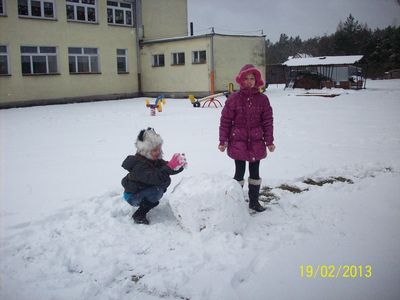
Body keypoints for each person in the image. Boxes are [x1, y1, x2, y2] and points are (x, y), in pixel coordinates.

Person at [218, 64, 275, 212]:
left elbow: (267, 121)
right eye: (246, 78)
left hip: (256, 142)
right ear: (241, 80)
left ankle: (254, 202)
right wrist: (223, 141)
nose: (249, 81)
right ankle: (236, 203)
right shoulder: (234, 99)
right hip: (238, 142)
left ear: (257, 81)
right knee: (239, 173)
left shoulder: (263, 100)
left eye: (252, 78)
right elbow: (225, 121)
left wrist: (269, 141)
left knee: (255, 173)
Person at [121, 128, 186, 224]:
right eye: (155, 150)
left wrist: (177, 166)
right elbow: (155, 178)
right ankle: (139, 215)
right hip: (132, 196)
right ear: (145, 151)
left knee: (160, 184)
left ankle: (147, 201)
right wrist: (169, 167)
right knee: (157, 190)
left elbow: (167, 168)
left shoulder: (154, 159)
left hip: (141, 189)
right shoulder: (139, 165)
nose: (158, 152)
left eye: (159, 149)